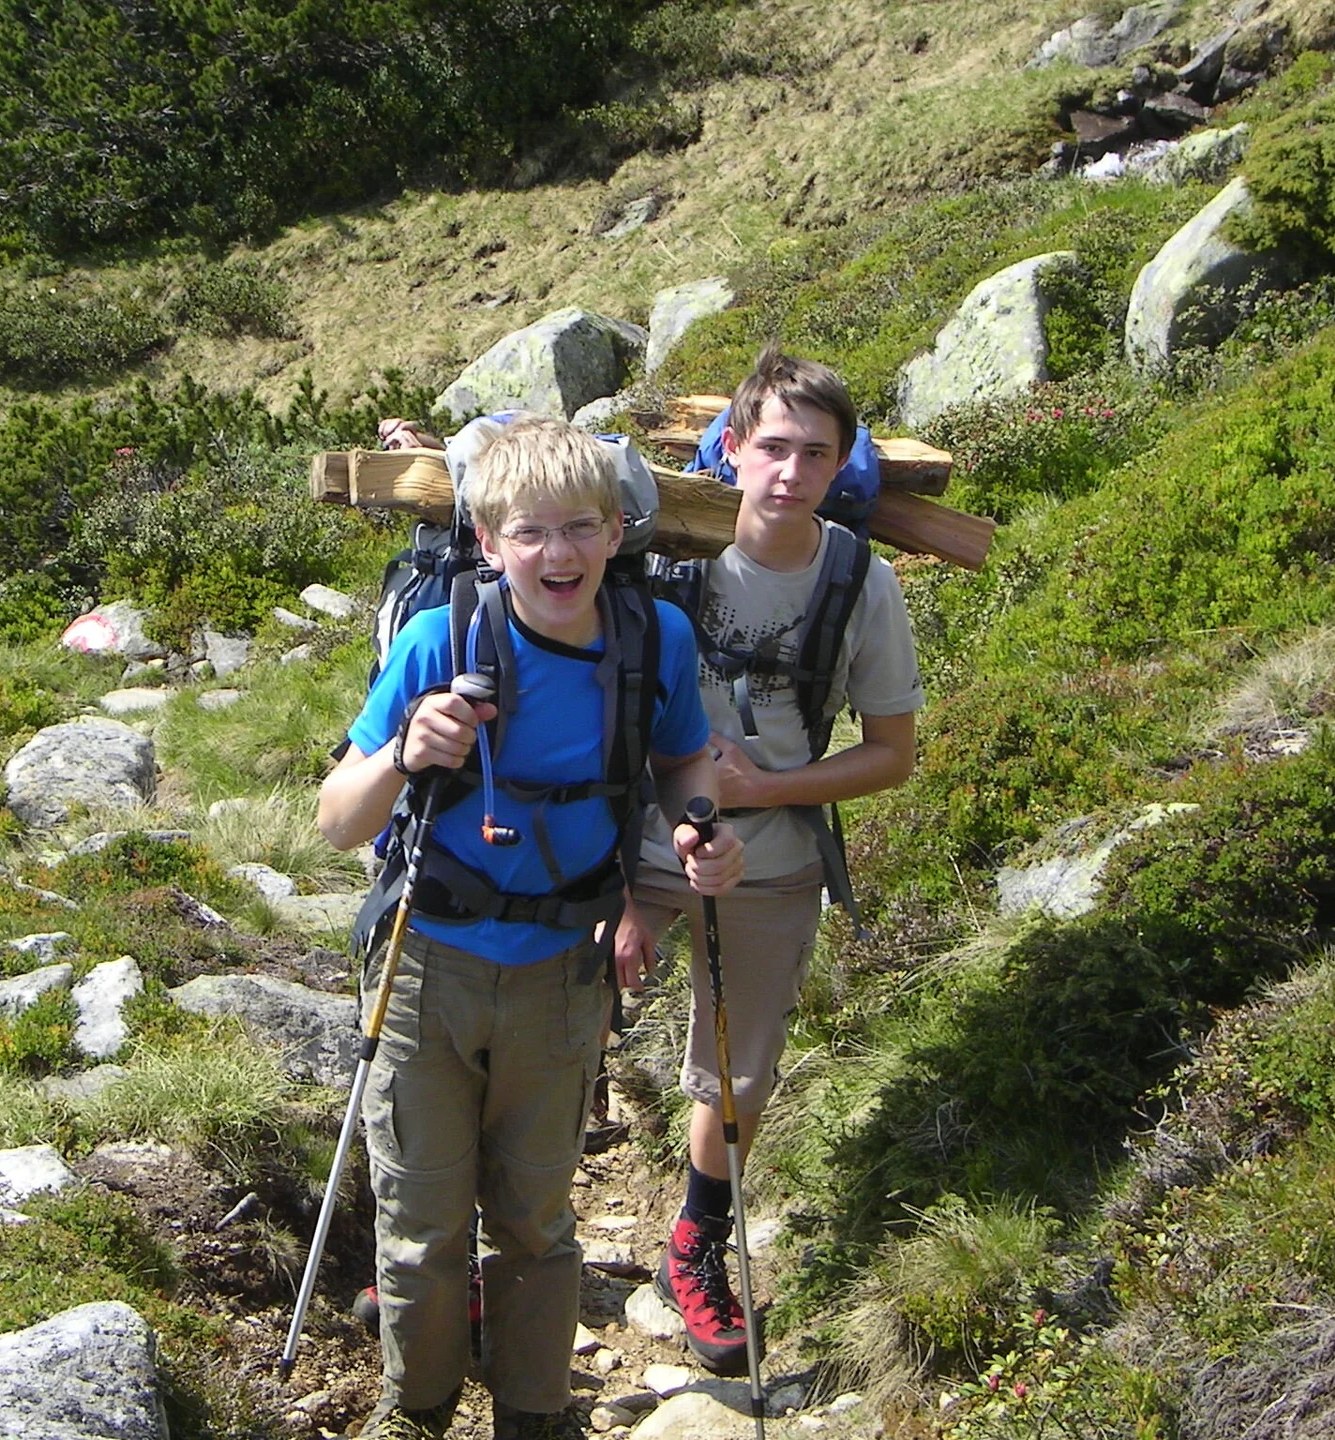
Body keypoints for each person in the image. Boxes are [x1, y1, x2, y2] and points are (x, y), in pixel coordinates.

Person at [319, 414, 744, 1440]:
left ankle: (536, 1416)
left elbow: (685, 762)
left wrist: (699, 831)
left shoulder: (654, 640)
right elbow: (339, 821)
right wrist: (402, 755)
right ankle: (412, 1411)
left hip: (564, 967)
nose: (558, 555)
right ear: (486, 535)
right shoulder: (439, 637)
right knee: (421, 1227)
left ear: (615, 531)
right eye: (531, 533)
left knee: (537, 1224)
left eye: (581, 529)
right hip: (427, 960)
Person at [618, 348, 924, 1374]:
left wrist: (761, 792)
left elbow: (892, 754)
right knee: (550, 1029)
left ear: (842, 466)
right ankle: (512, 1239)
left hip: (774, 856)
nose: (791, 472)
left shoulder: (858, 580)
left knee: (737, 1074)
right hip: (631, 842)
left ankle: (696, 1245)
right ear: (734, 449)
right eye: (774, 448)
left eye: (816, 454)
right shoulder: (660, 554)